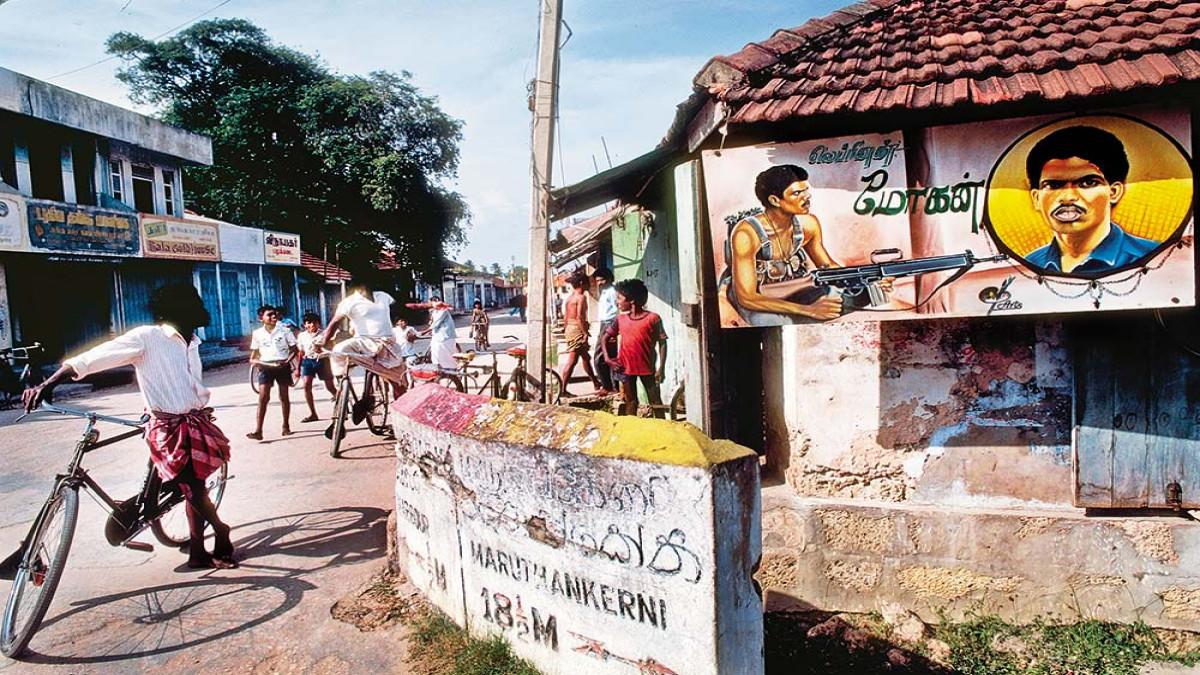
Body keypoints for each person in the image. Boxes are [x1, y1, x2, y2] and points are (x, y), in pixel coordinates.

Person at [21, 284, 237, 569]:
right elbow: (93, 357)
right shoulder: (147, 337)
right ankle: (221, 530)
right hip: (165, 426)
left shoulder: (193, 341)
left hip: (195, 421)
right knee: (192, 486)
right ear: (175, 309)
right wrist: (47, 384)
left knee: (193, 486)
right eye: (189, 304)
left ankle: (198, 552)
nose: (197, 308)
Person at [722, 164, 890, 326]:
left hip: (795, 288)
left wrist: (867, 280)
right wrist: (810, 310)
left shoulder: (808, 224)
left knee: (851, 298)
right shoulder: (746, 234)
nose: (806, 196)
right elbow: (747, 297)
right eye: (796, 193)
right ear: (774, 200)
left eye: (806, 190)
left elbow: (827, 267)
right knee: (775, 322)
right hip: (757, 298)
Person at [1023, 125, 1157, 274]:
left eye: (1088, 183)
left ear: (1114, 192)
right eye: (1053, 185)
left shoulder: (1155, 256)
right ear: (1036, 198)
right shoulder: (1028, 266)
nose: (1068, 197)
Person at [316, 276, 409, 399]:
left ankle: (398, 405)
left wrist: (427, 305)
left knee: (399, 384)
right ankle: (342, 383)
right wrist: (323, 342)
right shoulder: (349, 302)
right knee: (338, 350)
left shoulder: (383, 296)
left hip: (387, 343)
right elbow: (334, 323)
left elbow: (402, 307)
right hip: (363, 342)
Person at [604, 279, 668, 417]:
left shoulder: (653, 318)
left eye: (619, 298)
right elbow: (605, 338)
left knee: (656, 401)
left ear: (631, 300)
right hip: (625, 368)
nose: (617, 302)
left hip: (648, 368)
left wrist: (661, 368)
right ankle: (631, 427)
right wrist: (608, 359)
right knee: (631, 402)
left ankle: (662, 426)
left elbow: (663, 343)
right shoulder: (620, 319)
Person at [248, 305, 297, 441]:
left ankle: (286, 426)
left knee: (284, 396)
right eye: (269, 315)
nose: (273, 317)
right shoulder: (257, 333)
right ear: (261, 318)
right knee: (263, 397)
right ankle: (258, 431)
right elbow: (253, 356)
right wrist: (256, 362)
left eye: (274, 314)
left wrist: (287, 362)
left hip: (282, 366)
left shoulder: (285, 330)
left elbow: (294, 350)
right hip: (266, 367)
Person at [558, 271, 603, 398]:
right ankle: (562, 389)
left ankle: (595, 383)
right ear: (582, 283)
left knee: (585, 358)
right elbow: (579, 317)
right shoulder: (581, 298)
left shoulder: (569, 298)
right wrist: (585, 333)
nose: (590, 285)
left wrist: (567, 330)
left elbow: (566, 318)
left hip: (570, 328)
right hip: (577, 329)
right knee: (572, 361)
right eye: (588, 282)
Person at [296, 312, 336, 422]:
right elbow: (301, 352)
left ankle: (342, 405)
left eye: (315, 322)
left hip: (323, 361)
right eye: (309, 323)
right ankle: (313, 413)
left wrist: (323, 349)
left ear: (318, 323)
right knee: (306, 385)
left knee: (330, 387)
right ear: (304, 325)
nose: (312, 325)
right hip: (308, 361)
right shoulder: (302, 336)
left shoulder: (325, 334)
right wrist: (298, 369)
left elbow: (331, 347)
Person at [408, 296, 459, 370]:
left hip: (445, 337)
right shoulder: (435, 312)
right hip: (438, 337)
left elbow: (435, 324)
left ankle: (450, 371)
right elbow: (432, 323)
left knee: (446, 358)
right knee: (436, 357)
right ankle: (440, 370)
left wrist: (424, 332)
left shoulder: (443, 311)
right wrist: (430, 331)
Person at [592, 267, 619, 395]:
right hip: (604, 323)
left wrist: (614, 330)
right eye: (597, 281)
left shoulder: (613, 292)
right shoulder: (604, 292)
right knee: (607, 356)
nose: (599, 283)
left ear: (608, 279)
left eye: (601, 280)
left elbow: (618, 310)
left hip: (610, 323)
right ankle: (610, 386)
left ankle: (609, 387)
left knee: (599, 357)